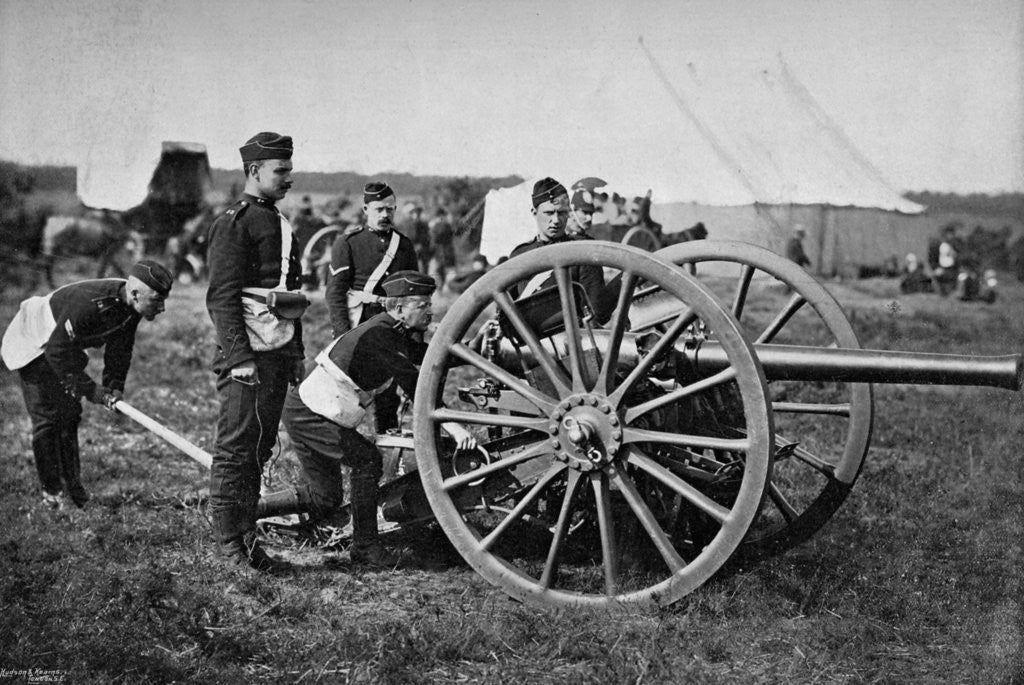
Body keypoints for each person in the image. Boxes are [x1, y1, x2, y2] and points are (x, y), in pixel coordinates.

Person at [258, 271, 478, 566]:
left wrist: (477, 349)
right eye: (423, 305)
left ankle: (245, 512)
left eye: (429, 304)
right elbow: (415, 384)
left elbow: (431, 356)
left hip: (314, 410)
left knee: (324, 497)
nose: (431, 310)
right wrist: (454, 427)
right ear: (399, 308)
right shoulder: (380, 335)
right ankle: (365, 548)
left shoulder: (392, 331)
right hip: (309, 412)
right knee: (367, 461)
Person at [205, 132, 310, 574]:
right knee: (236, 447)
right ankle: (229, 544)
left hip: (277, 353)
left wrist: (296, 355)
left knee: (261, 446)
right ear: (254, 172)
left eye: (288, 169)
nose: (288, 178)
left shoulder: (279, 222)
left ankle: (247, 538)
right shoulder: (235, 222)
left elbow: (291, 297)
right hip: (247, 356)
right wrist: (240, 358)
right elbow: (222, 298)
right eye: (280, 170)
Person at [1, 260, 172, 509]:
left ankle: (74, 489)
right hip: (32, 342)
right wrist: (92, 391)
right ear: (135, 294)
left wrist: (113, 386)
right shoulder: (89, 305)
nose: (163, 308)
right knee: (47, 420)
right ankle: (53, 494)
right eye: (157, 299)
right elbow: (56, 352)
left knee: (70, 416)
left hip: (60, 346)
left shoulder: (130, 306)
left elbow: (120, 349)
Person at [507, 177, 611, 321]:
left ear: (568, 212)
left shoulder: (582, 251)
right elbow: (505, 311)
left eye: (561, 213)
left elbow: (597, 311)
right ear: (534, 212)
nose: (556, 220)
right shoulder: (519, 255)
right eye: (549, 213)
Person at [325, 182, 418, 339]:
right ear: (366, 210)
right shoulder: (347, 243)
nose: (384, 215)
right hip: (360, 322)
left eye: (389, 209)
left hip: (395, 323)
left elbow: (414, 292)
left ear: (395, 210)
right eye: (379, 209)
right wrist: (343, 335)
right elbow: (335, 294)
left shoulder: (404, 244)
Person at [398, 203, 432, 273]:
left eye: (416, 212)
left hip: (420, 251)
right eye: (412, 212)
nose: (415, 214)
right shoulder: (405, 224)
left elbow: (427, 238)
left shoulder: (421, 224)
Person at [428, 207, 456, 290]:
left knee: (445, 270)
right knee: (441, 270)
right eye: (439, 216)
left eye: (441, 216)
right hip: (441, 252)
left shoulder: (442, 226)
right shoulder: (444, 225)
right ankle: (444, 286)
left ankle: (446, 286)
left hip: (444, 252)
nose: (440, 218)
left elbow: (435, 238)